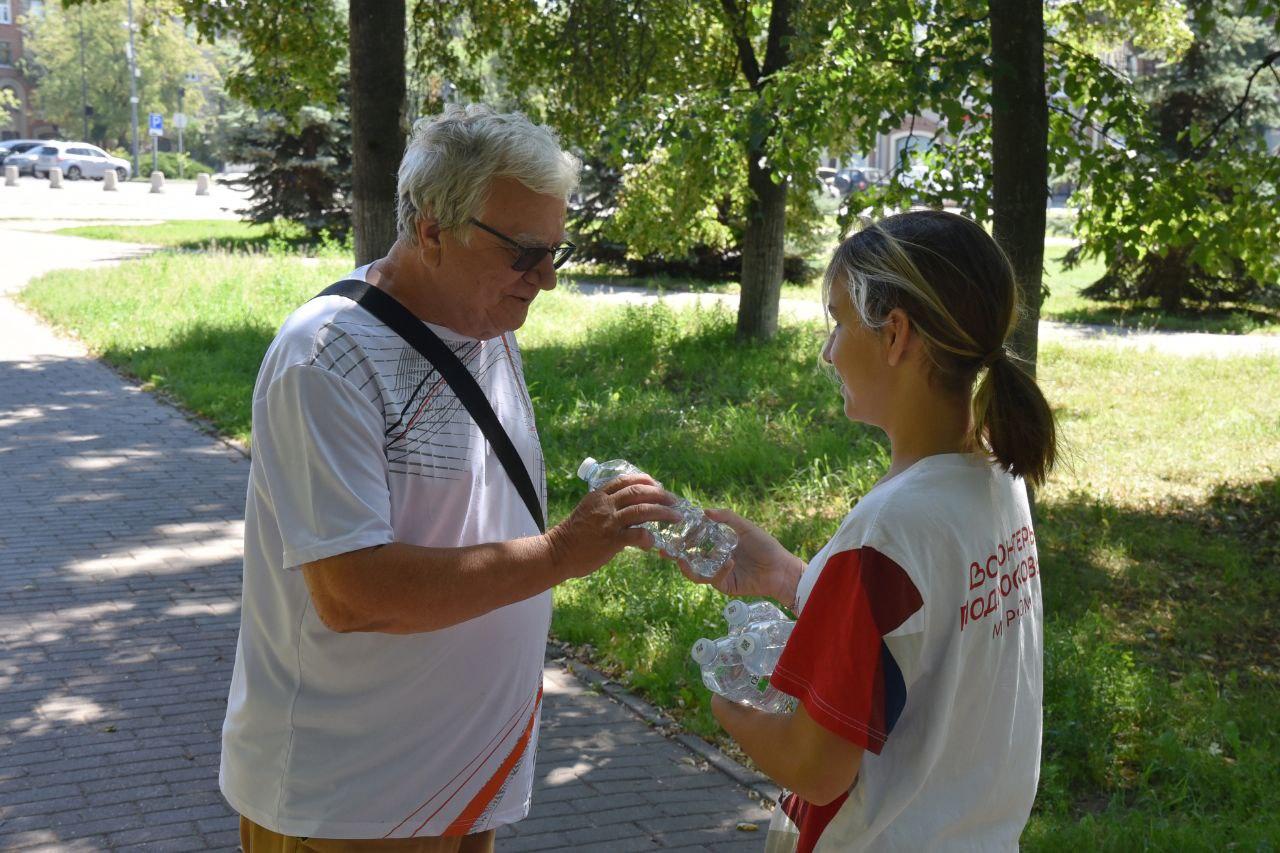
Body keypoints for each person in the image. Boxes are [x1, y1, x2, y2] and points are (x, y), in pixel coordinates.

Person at [219, 104, 678, 851]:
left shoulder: (483, 325)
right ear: (432, 227)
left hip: (467, 781)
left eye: (558, 251)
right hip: (354, 800)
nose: (548, 280)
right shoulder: (327, 359)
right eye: (526, 254)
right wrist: (564, 552)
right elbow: (352, 593)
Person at [670, 211, 1056, 851]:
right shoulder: (994, 477)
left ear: (895, 334)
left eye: (838, 321)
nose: (828, 349)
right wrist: (793, 579)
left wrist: (722, 694)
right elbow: (920, 634)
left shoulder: (888, 530)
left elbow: (815, 769)